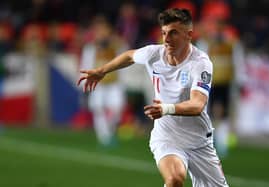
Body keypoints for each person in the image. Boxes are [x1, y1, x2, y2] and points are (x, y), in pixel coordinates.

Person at [77, 8, 228, 187]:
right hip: (167, 137)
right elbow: (129, 56)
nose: (167, 39)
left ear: (189, 34)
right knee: (174, 178)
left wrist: (166, 108)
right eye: (164, 33)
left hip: (199, 141)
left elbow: (198, 105)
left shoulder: (200, 63)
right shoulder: (154, 54)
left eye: (173, 33)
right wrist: (102, 71)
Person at [79, 16, 127, 147]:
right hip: (98, 84)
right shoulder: (91, 48)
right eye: (98, 30)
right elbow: (86, 64)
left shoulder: (116, 46)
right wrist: (85, 83)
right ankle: (104, 138)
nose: (101, 33)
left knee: (117, 109)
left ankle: (109, 132)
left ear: (108, 31)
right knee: (98, 109)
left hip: (114, 83)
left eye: (103, 30)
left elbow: (125, 57)